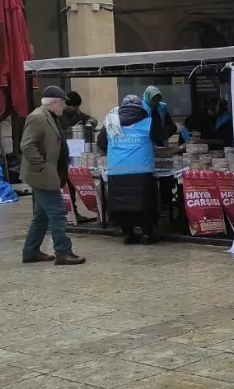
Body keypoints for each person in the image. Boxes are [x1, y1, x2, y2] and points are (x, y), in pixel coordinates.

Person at [20, 86, 85, 266]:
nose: (64, 107)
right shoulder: (37, 117)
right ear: (54, 102)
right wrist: (41, 166)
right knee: (57, 213)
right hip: (43, 176)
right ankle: (63, 252)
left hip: (48, 174)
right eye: (63, 103)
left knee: (41, 216)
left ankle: (30, 251)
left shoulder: (50, 117)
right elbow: (27, 146)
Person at [97, 94, 171, 244]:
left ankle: (127, 234)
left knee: (122, 205)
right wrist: (172, 126)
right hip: (142, 170)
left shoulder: (110, 123)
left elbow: (101, 143)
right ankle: (147, 234)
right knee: (145, 205)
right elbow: (161, 135)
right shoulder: (148, 122)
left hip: (117, 170)